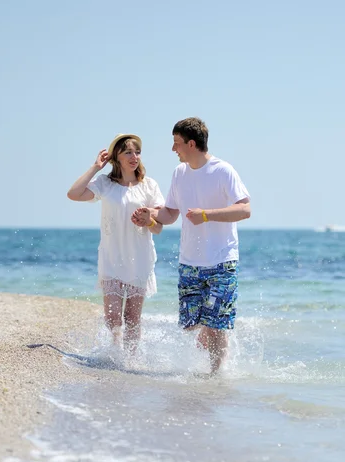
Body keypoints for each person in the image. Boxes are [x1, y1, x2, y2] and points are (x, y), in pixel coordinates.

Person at [132, 117, 251, 373]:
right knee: (190, 326)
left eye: (176, 143)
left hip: (222, 260)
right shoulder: (179, 174)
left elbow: (244, 209)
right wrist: (149, 217)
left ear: (192, 144)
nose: (173, 149)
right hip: (189, 262)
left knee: (216, 325)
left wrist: (207, 214)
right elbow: (170, 214)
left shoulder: (223, 171)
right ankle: (205, 341)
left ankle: (214, 378)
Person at [67, 134, 164, 352]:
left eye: (137, 152)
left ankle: (129, 360)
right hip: (111, 257)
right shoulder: (105, 183)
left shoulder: (149, 186)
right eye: (128, 152)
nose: (134, 156)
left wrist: (148, 220)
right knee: (112, 318)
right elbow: (73, 194)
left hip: (139, 257)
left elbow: (158, 228)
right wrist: (95, 168)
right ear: (116, 157)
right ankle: (114, 354)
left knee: (132, 318)